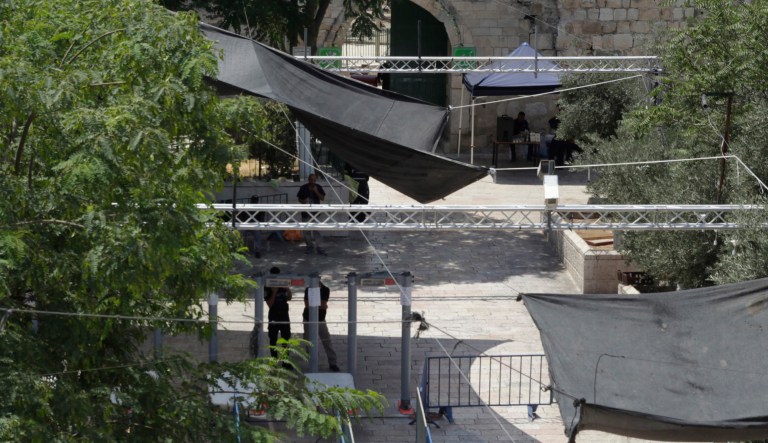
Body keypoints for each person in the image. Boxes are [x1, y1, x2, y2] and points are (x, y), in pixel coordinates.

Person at [302, 280, 340, 372]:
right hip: (308, 319)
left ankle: (333, 362)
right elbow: (307, 305)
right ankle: (311, 361)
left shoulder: (325, 290)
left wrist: (317, 304)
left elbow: (322, 304)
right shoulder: (308, 289)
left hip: (320, 319)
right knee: (308, 341)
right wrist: (321, 305)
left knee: (326, 340)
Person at [264, 266, 292, 358]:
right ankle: (274, 359)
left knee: (286, 338)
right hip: (274, 315)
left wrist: (287, 289)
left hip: (284, 314)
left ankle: (286, 361)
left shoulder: (282, 284)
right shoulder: (267, 287)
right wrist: (274, 292)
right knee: (273, 339)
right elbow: (269, 304)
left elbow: (289, 298)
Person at [296, 174, 327, 256]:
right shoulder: (303, 187)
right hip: (305, 213)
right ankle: (309, 247)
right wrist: (304, 201)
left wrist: (316, 191)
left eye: (314, 180)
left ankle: (319, 247)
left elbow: (322, 198)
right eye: (311, 180)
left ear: (316, 180)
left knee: (317, 230)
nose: (312, 182)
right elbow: (299, 199)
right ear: (308, 180)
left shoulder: (319, 187)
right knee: (306, 231)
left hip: (316, 213)